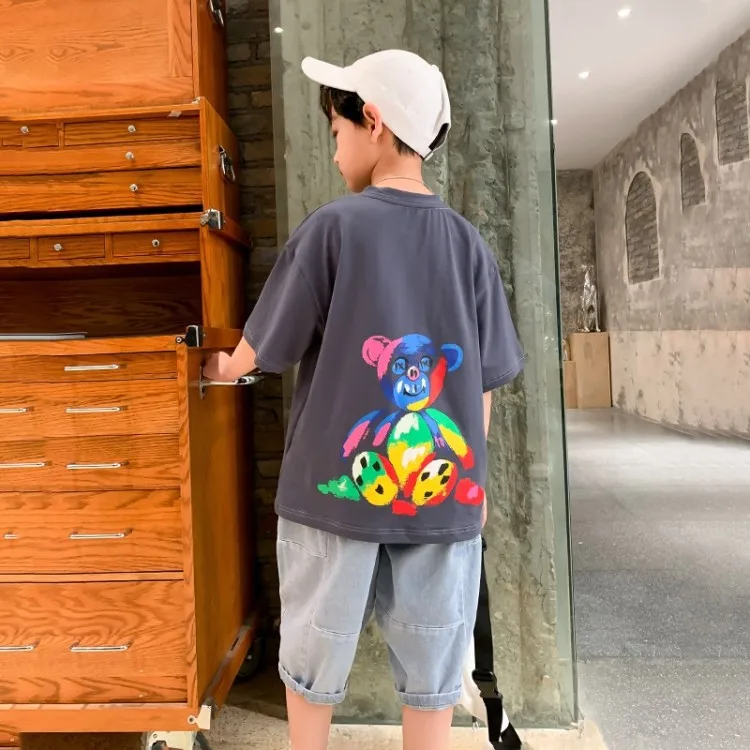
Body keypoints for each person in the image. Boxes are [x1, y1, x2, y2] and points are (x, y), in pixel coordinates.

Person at [203, 48, 524, 750]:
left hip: (334, 493)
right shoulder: (469, 246)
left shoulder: (334, 228)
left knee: (311, 664)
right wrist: (473, 489)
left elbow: (264, 346)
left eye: (337, 131)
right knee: (433, 673)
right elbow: (482, 384)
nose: (334, 147)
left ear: (372, 121)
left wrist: (222, 365)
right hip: (443, 496)